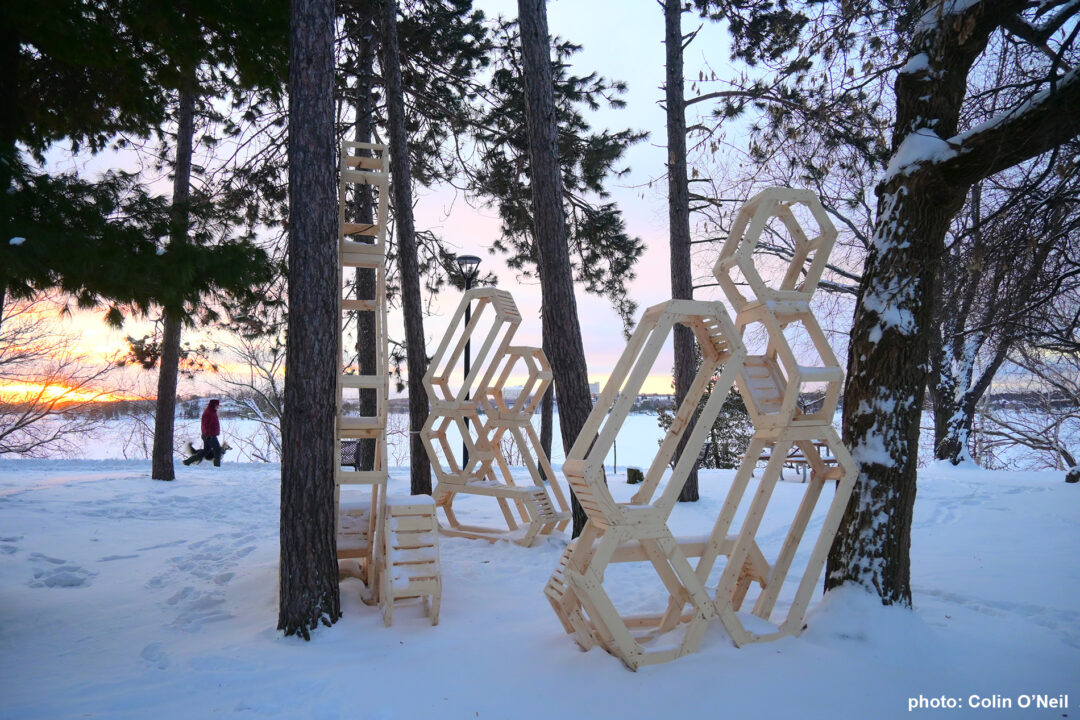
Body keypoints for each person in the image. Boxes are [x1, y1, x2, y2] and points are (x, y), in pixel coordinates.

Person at [183, 399, 222, 466]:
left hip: (209, 435)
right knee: (218, 450)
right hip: (209, 435)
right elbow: (205, 425)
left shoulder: (212, 412)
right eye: (217, 405)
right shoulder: (208, 413)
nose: (218, 407)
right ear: (213, 405)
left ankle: (188, 461)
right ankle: (217, 466)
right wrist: (208, 435)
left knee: (206, 451)